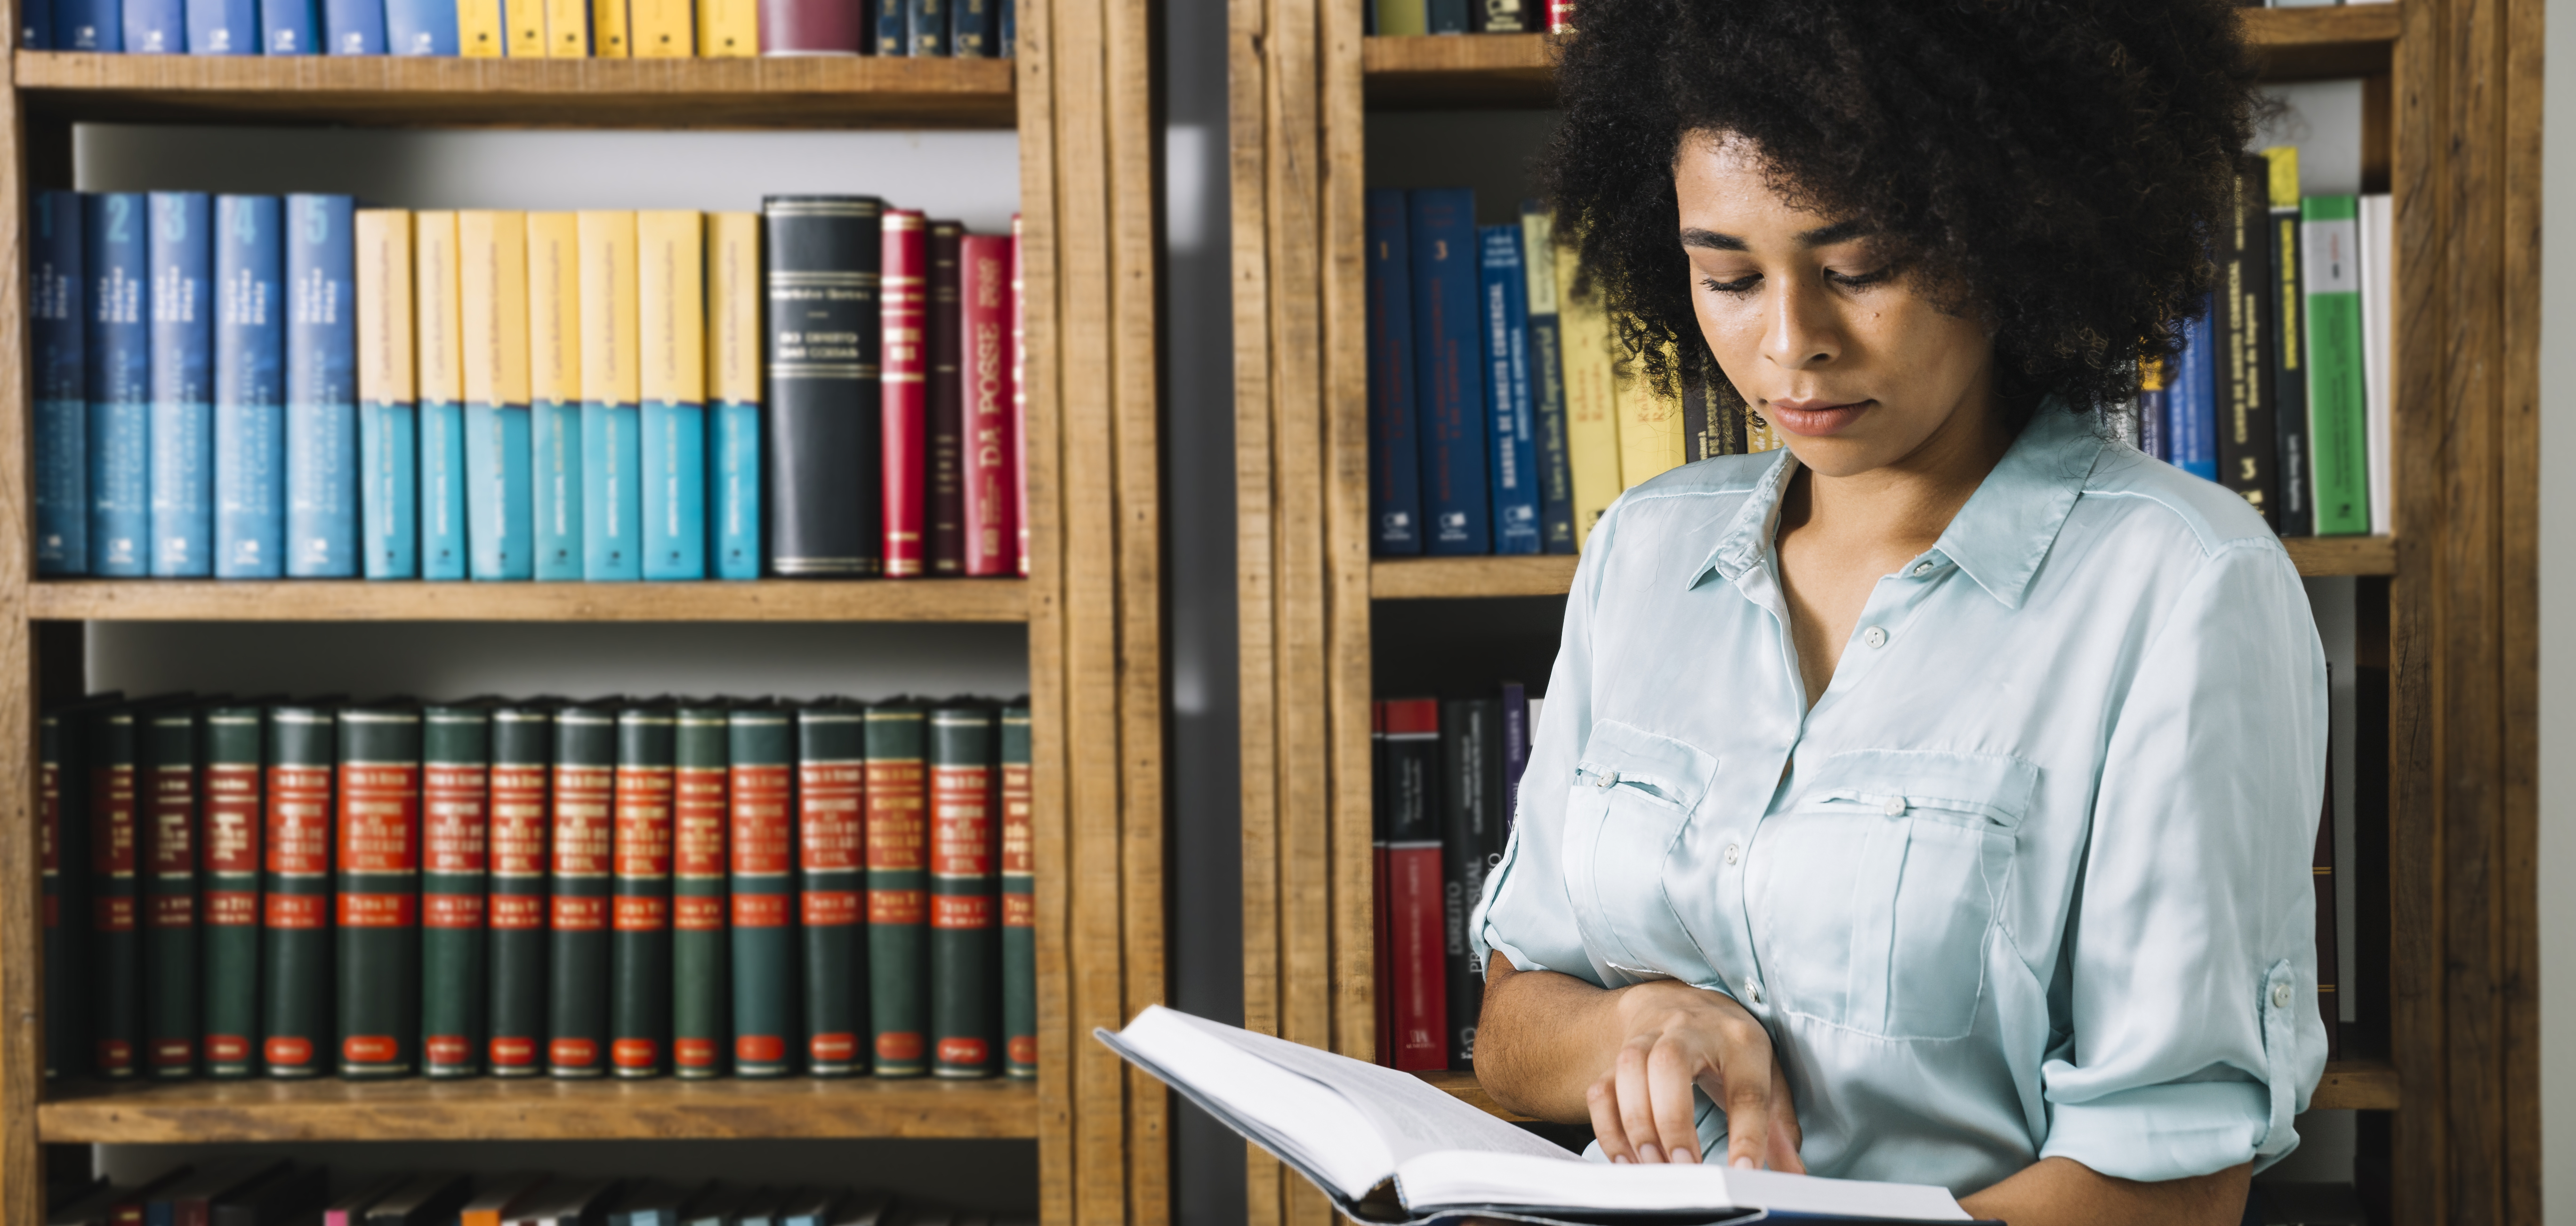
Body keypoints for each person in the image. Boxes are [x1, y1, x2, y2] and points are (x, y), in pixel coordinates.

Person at [1466, 2, 2328, 1224]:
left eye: (1858, 271)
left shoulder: (2180, 587)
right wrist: (1639, 1024)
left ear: (2009, 233)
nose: (1789, 343)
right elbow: (1510, 1032)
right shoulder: (1645, 554)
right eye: (1726, 274)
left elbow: (2171, 1189)